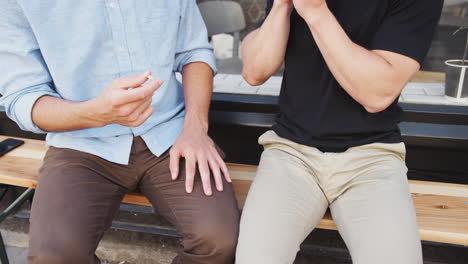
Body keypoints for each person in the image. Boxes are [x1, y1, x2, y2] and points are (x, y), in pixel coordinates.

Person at [0, 1, 240, 263]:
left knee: (218, 239)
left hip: (170, 135)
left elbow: (194, 53)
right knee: (53, 257)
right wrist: (94, 113)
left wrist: (195, 128)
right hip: (82, 145)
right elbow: (23, 96)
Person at [236, 0, 443, 263]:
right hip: (290, 152)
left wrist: (315, 11)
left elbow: (377, 93)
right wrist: (281, 7)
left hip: (371, 158)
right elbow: (254, 72)